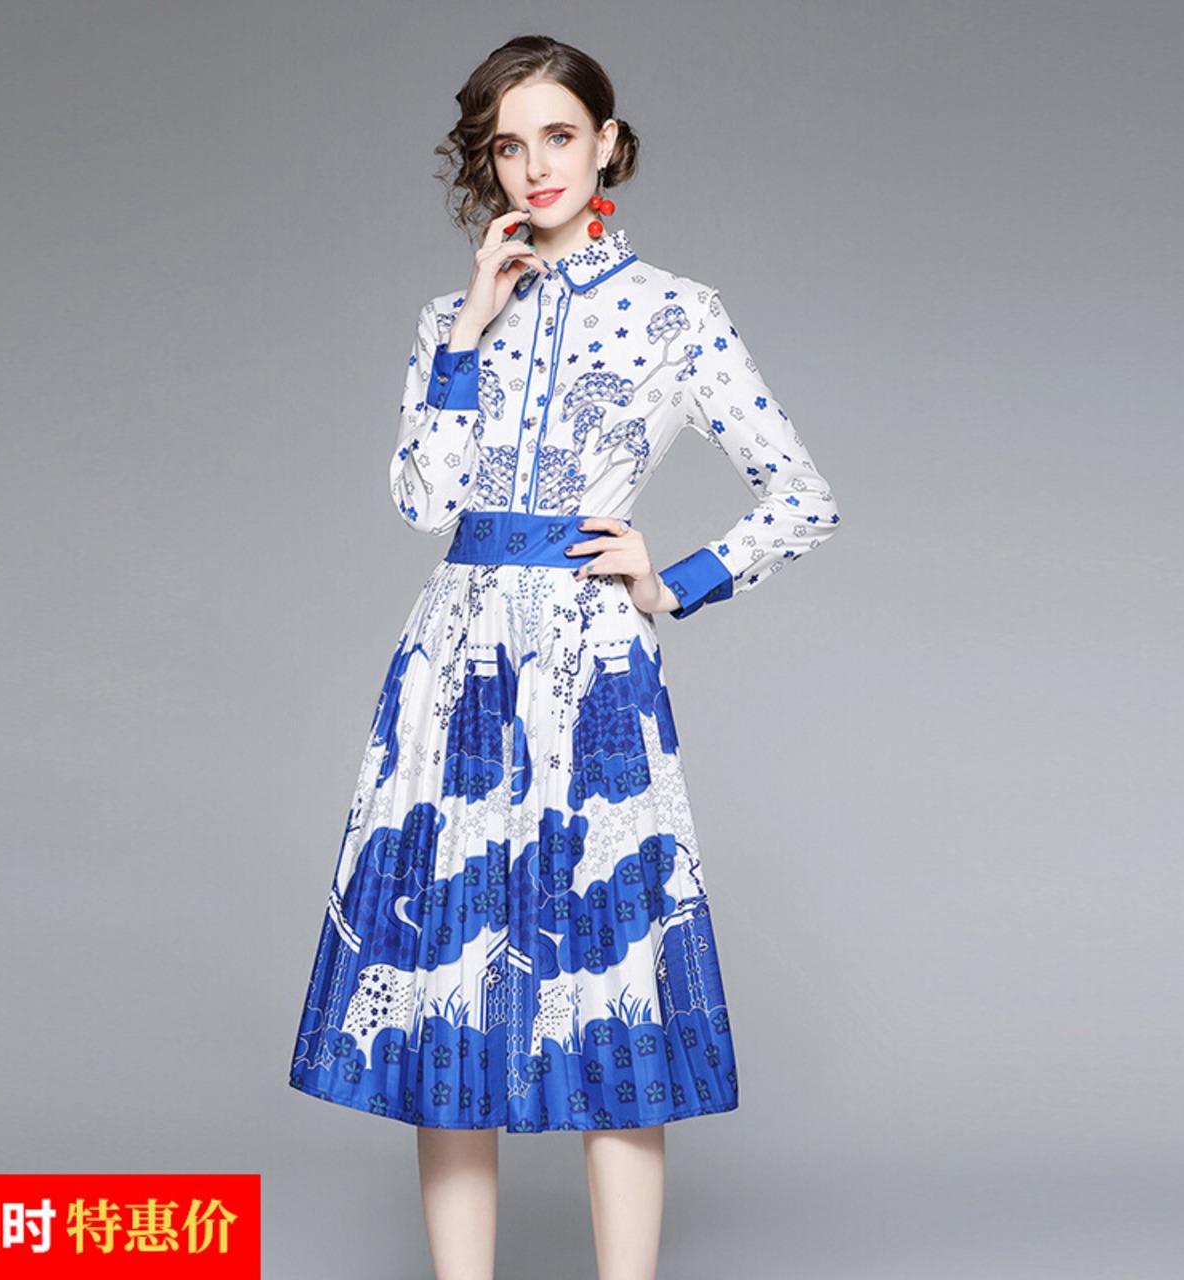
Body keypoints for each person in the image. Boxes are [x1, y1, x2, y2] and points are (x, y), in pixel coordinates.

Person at [289, 33, 840, 1280]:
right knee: (444, 983)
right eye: (507, 145)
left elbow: (799, 495)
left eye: (558, 135)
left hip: (589, 669)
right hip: (450, 671)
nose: (533, 166)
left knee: (611, 980)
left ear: (607, 144)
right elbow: (421, 501)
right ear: (485, 163)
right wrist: (470, 327)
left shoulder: (676, 313)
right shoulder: (449, 319)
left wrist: (669, 576)